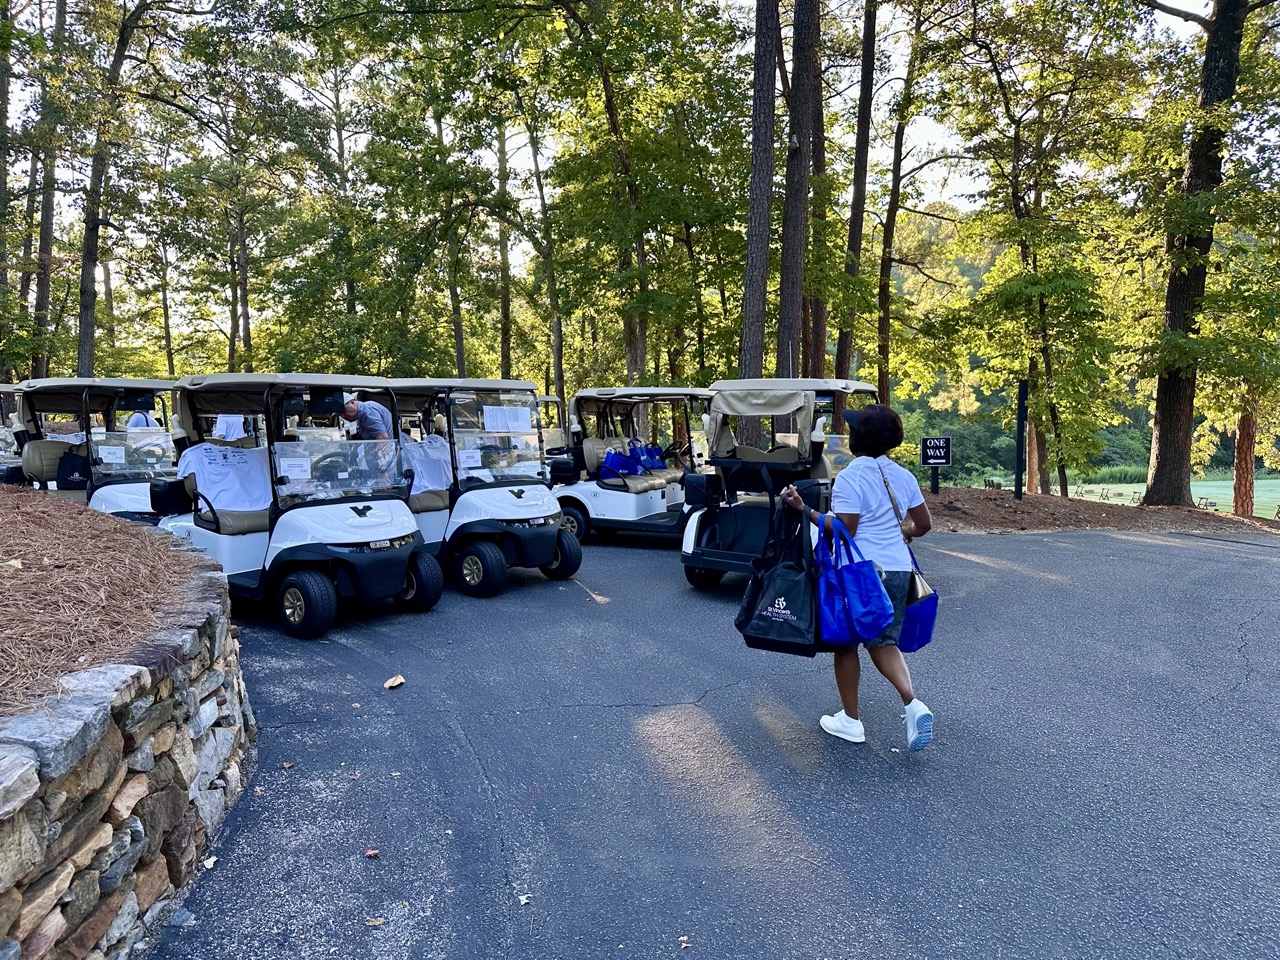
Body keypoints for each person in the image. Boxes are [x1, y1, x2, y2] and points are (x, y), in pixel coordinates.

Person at [782, 403, 936, 751]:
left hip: (860, 572)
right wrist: (905, 532)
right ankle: (913, 704)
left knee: (846, 642)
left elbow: (845, 528)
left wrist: (805, 510)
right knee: (883, 642)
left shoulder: (851, 476)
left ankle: (851, 721)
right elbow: (924, 524)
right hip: (898, 570)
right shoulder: (904, 476)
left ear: (859, 438)